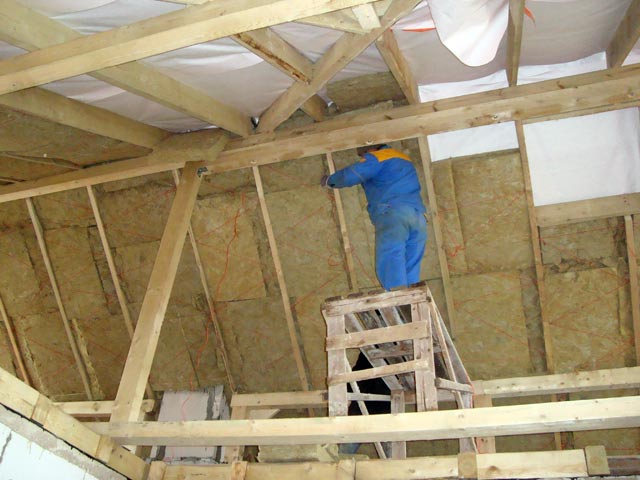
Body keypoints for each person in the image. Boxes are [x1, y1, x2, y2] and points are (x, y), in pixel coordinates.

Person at [321, 144, 427, 290]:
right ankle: (413, 296)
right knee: (411, 261)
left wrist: (329, 181)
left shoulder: (379, 156)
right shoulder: (404, 159)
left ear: (369, 149)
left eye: (363, 155)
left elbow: (352, 174)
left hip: (394, 213)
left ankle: (397, 296)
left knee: (391, 255)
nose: (363, 158)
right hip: (418, 217)